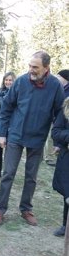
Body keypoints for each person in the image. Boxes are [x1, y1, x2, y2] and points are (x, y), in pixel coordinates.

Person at [0, 51, 65, 227]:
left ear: (46, 68)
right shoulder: (21, 81)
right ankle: (0, 209)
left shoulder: (55, 86)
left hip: (38, 138)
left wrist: (58, 141)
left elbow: (60, 115)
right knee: (8, 173)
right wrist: (2, 133)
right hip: (16, 135)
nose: (31, 70)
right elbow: (6, 107)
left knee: (31, 177)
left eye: (35, 67)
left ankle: (26, 209)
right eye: (30, 66)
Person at [52, 97, 69, 236]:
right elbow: (56, 131)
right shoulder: (66, 108)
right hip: (67, 157)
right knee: (68, 193)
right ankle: (66, 225)